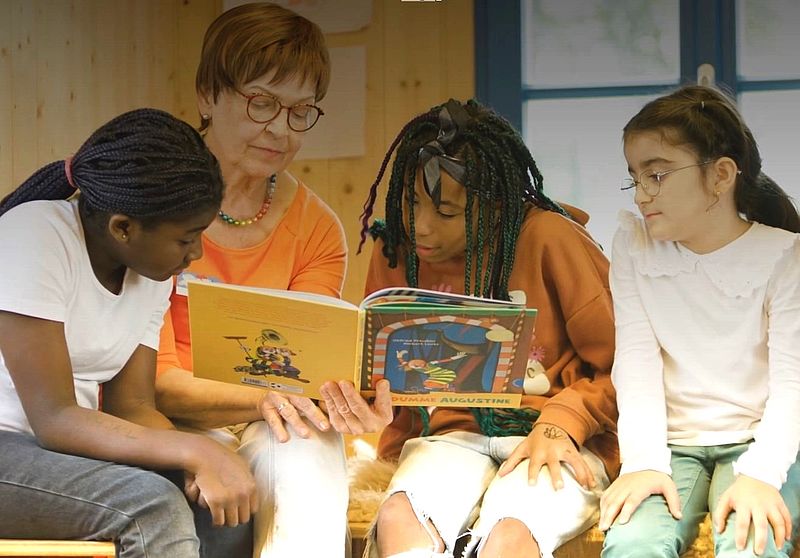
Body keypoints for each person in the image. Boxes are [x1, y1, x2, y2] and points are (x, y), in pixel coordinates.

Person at [153, 4, 392, 557]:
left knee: (310, 442)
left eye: (300, 111)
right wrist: (270, 398)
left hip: (268, 413)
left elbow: (302, 372)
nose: (281, 129)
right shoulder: (155, 207)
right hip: (166, 415)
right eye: (262, 102)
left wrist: (346, 399)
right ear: (208, 94)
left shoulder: (317, 227)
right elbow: (152, 383)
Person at [356, 98, 619, 558]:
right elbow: (380, 373)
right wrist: (389, 437)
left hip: (552, 434)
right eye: (410, 202)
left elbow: (629, 365)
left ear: (497, 206)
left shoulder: (551, 239)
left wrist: (564, 423)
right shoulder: (396, 251)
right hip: (449, 437)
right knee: (399, 520)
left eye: (447, 211)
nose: (422, 227)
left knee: (508, 538)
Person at [0, 108, 257, 558]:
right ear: (123, 227)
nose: (197, 252)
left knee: (222, 501)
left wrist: (194, 464)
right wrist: (195, 450)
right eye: (185, 238)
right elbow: (55, 418)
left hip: (53, 454)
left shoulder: (151, 271)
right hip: (16, 446)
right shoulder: (33, 236)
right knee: (150, 507)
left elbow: (133, 406)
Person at [598, 85, 800, 558]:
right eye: (635, 178)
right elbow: (636, 362)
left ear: (721, 175)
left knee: (751, 542)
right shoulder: (634, 247)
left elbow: (793, 382)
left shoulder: (784, 256)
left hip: (761, 439)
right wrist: (644, 463)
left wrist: (760, 475)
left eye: (658, 175)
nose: (643, 194)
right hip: (671, 444)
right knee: (632, 543)